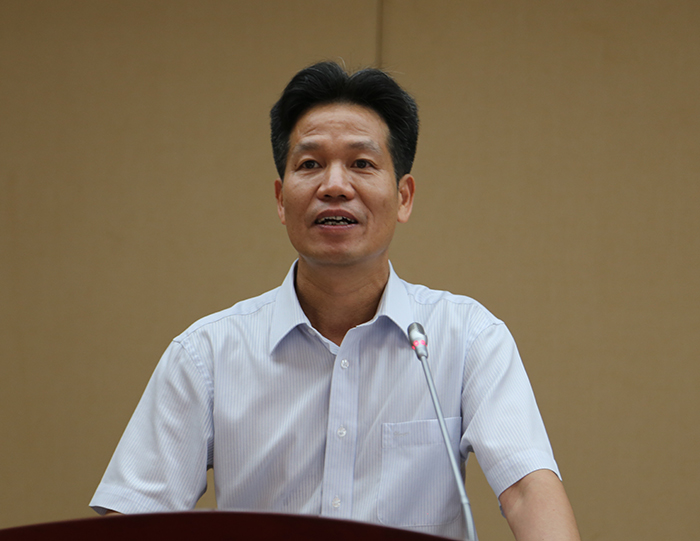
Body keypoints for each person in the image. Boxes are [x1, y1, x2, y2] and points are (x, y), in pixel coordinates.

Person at [90, 61, 580, 540]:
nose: (335, 186)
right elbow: (134, 517)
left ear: (404, 197)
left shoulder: (467, 337)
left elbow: (527, 490)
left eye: (362, 164)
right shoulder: (207, 354)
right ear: (281, 199)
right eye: (310, 165)